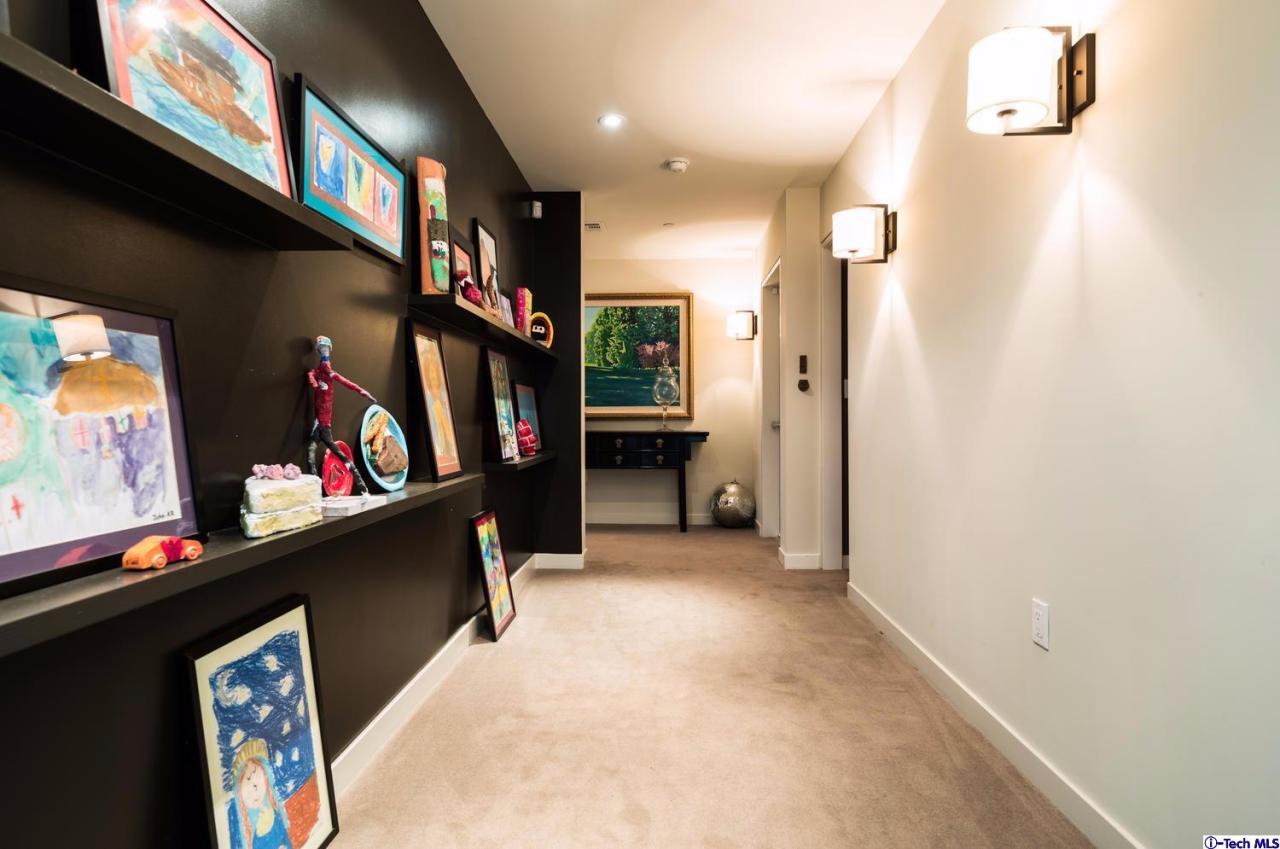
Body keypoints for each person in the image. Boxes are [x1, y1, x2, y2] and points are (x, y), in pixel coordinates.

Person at [306, 335, 374, 494]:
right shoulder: (317, 373)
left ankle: (362, 487)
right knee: (310, 457)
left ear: (329, 350)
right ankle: (315, 492)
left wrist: (364, 393)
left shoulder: (329, 373)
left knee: (342, 457)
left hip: (324, 425)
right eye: (321, 348)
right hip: (318, 425)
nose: (323, 351)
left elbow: (349, 384)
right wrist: (317, 386)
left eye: (325, 348)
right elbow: (311, 376)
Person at [230, 738, 292, 849]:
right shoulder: (254, 839)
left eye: (257, 777)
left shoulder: (276, 814)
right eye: (248, 780)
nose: (255, 788)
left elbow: (286, 839)